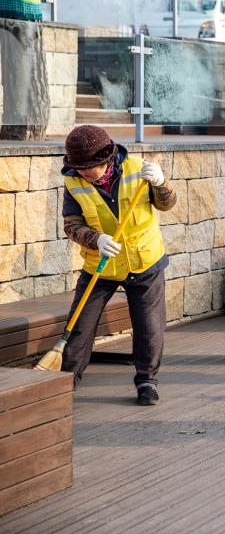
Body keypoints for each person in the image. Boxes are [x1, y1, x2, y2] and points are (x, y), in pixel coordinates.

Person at [60, 125, 175, 406]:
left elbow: (167, 204)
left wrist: (161, 184)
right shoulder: (74, 183)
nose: (85, 173)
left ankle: (147, 382)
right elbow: (72, 225)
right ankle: (64, 382)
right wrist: (95, 239)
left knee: (149, 327)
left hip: (144, 259)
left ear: (107, 159)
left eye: (91, 167)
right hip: (102, 263)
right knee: (80, 325)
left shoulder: (139, 170)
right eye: (80, 167)